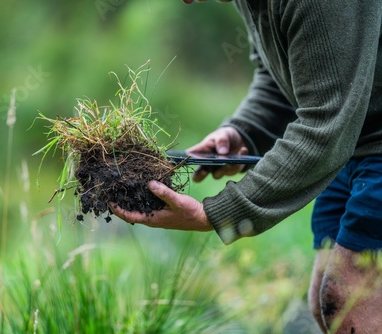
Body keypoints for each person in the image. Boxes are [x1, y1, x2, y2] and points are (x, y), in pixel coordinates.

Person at [110, 0, 382, 332]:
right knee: (327, 305)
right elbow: (286, 74)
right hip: (354, 144)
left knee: (350, 303)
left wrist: (220, 213)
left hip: (363, 141)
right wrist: (243, 130)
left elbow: (325, 124)